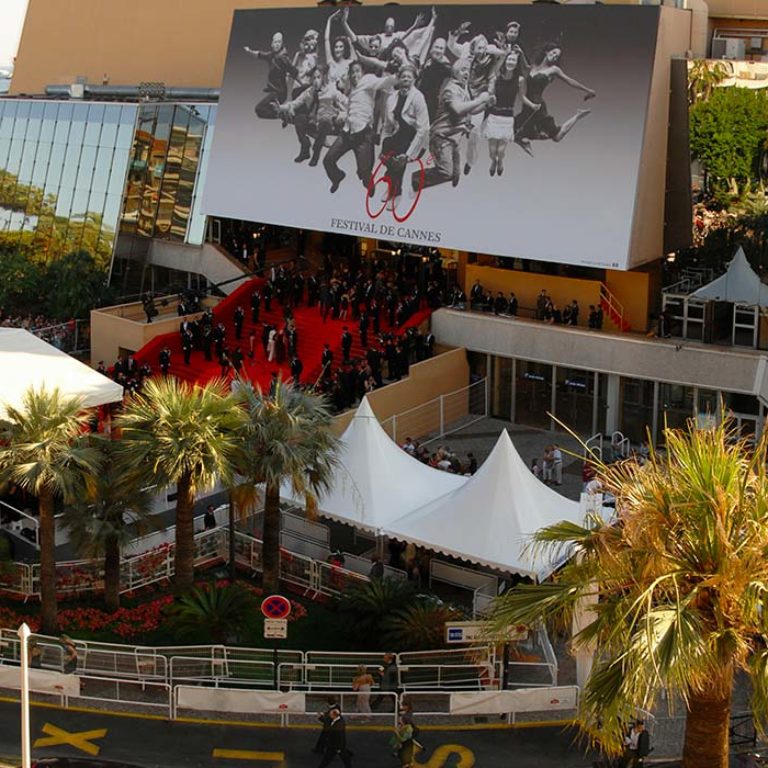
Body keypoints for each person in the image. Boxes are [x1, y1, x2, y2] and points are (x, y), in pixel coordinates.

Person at [323, 60, 396, 194]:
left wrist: (399, 73)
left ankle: (369, 183)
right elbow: (350, 105)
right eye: (352, 73)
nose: (354, 75)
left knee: (364, 172)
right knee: (328, 161)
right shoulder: (352, 90)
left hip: (363, 135)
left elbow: (386, 82)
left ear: (362, 73)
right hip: (347, 133)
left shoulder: (368, 80)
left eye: (357, 71)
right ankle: (337, 177)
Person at [515, 42, 595, 156]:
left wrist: (587, 90)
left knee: (556, 137)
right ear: (547, 52)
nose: (554, 56)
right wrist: (521, 53)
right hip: (527, 104)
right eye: (553, 53)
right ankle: (524, 142)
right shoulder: (533, 66)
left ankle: (578, 115)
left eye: (557, 56)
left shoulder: (554, 69)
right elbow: (524, 66)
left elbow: (570, 81)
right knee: (512, 130)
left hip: (538, 105)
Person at [244, 33, 298, 120]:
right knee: (260, 113)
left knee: (259, 108)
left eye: (279, 42)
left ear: (282, 44)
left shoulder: (283, 59)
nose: (277, 44)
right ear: (272, 44)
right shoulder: (271, 55)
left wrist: (304, 85)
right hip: (274, 92)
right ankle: (282, 113)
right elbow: (259, 55)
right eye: (275, 42)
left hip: (279, 93)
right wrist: (249, 51)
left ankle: (283, 114)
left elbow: (295, 73)